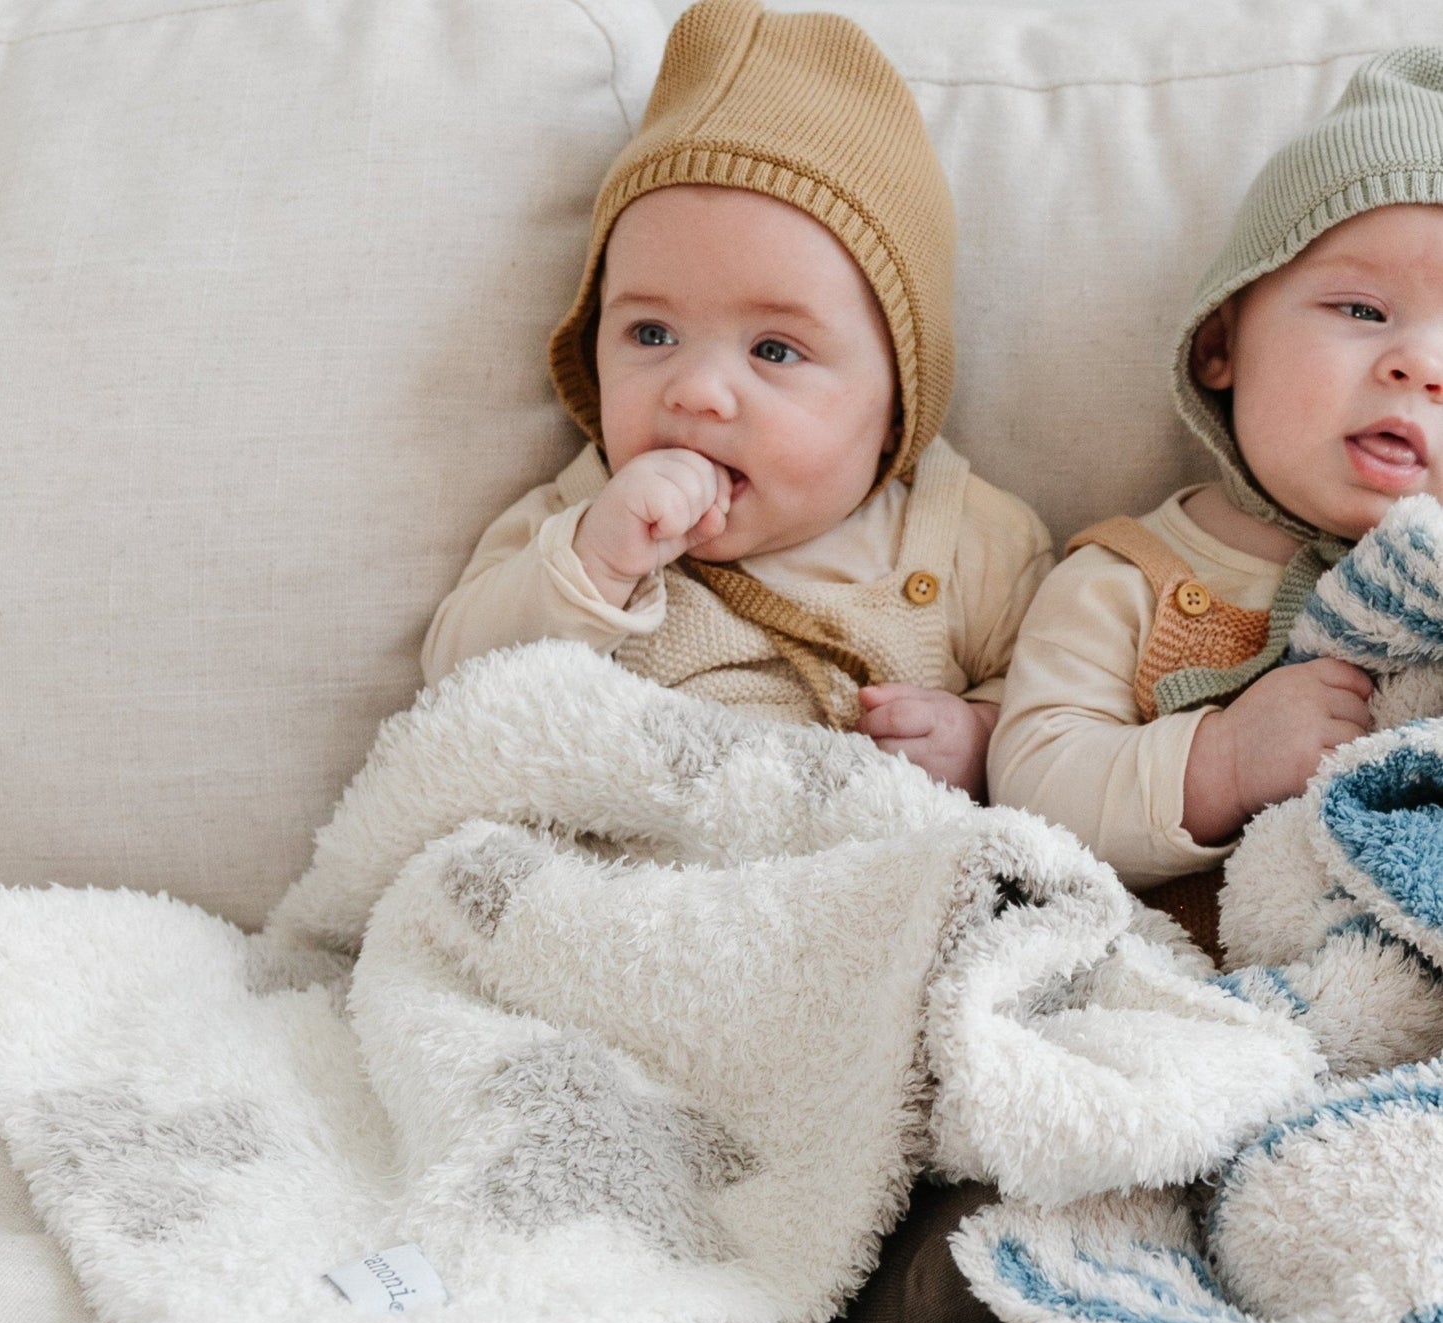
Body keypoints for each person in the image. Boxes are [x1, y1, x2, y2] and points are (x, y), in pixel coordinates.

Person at [421, 0, 1052, 803]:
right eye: (651, 334)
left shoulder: (975, 545)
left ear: (897, 404)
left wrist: (981, 736)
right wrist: (593, 565)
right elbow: (456, 684)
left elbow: (1068, 724)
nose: (694, 390)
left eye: (774, 351)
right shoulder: (572, 519)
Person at [989, 47, 1443, 955]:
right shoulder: (1127, 576)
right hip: (1196, 993)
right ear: (1218, 346)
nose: (1419, 365)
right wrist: (1221, 759)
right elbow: (1030, 785)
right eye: (1360, 310)